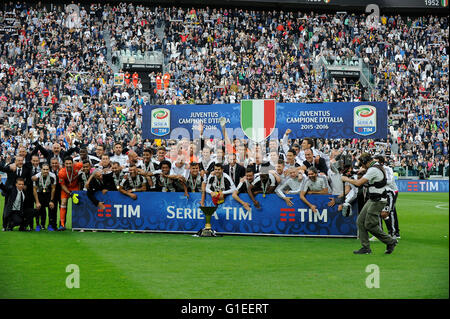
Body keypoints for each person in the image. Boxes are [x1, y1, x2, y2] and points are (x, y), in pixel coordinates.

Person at [341, 153, 398, 255]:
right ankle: (365, 247)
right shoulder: (376, 166)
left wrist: (347, 179)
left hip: (378, 200)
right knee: (360, 221)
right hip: (373, 199)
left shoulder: (373, 170)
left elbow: (359, 183)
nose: (362, 166)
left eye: (362, 164)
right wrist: (359, 172)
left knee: (370, 225)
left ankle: (390, 241)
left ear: (366, 162)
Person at [58, 156, 84, 230]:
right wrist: (69, 193)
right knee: (63, 202)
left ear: (73, 163)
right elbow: (62, 185)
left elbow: (87, 165)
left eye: (70, 163)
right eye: (67, 164)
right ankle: (62, 224)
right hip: (66, 189)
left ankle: (80, 224)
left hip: (75, 187)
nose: (69, 165)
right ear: (64, 164)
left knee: (78, 203)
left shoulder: (78, 166)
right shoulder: (61, 172)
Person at [32, 164, 57, 231]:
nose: (45, 171)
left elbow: (53, 189)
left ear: (49, 170)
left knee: (51, 208)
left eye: (47, 169)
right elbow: (34, 189)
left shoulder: (53, 176)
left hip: (48, 193)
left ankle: (50, 225)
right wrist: (37, 202)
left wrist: (51, 200)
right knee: (39, 208)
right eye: (44, 169)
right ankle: (39, 225)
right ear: (41, 170)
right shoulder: (37, 177)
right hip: (39, 193)